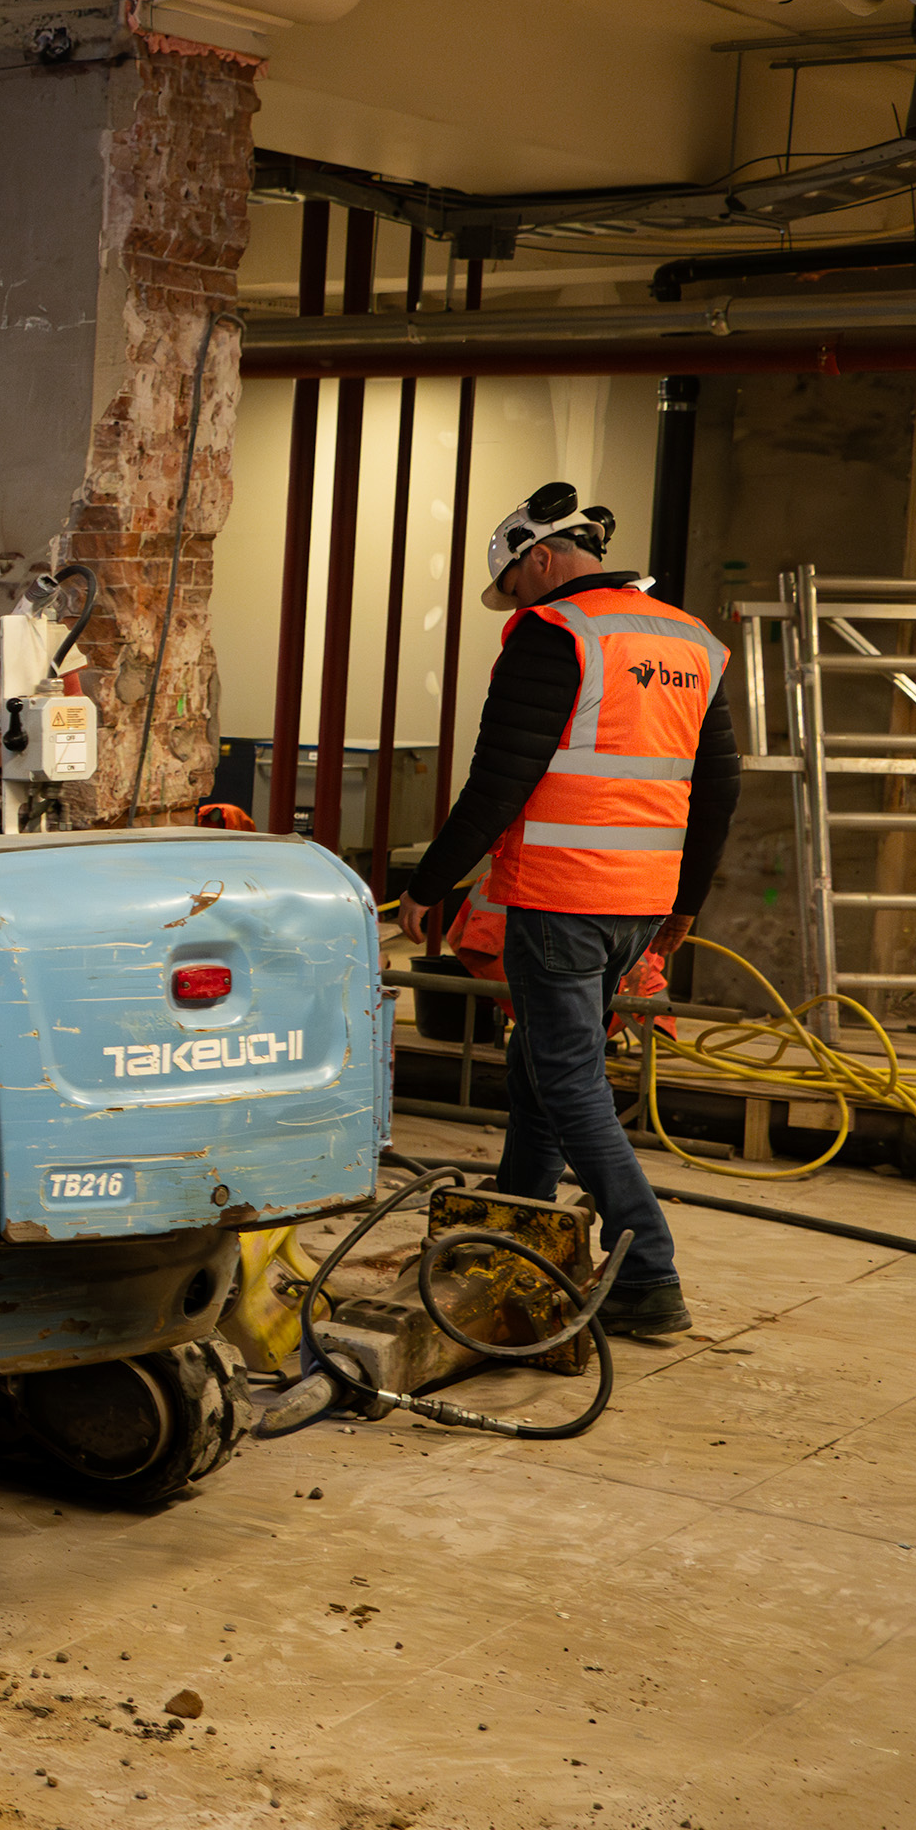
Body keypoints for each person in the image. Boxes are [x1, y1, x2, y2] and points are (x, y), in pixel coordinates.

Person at [399, 484, 740, 1338]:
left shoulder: (556, 635)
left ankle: (649, 1270)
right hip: (638, 905)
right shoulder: (693, 642)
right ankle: (518, 1224)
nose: (513, 602)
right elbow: (719, 788)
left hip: (561, 899)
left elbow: (498, 780)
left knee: (566, 1079)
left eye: (512, 584)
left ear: (539, 559)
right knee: (539, 1073)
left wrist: (429, 883)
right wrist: (683, 908)